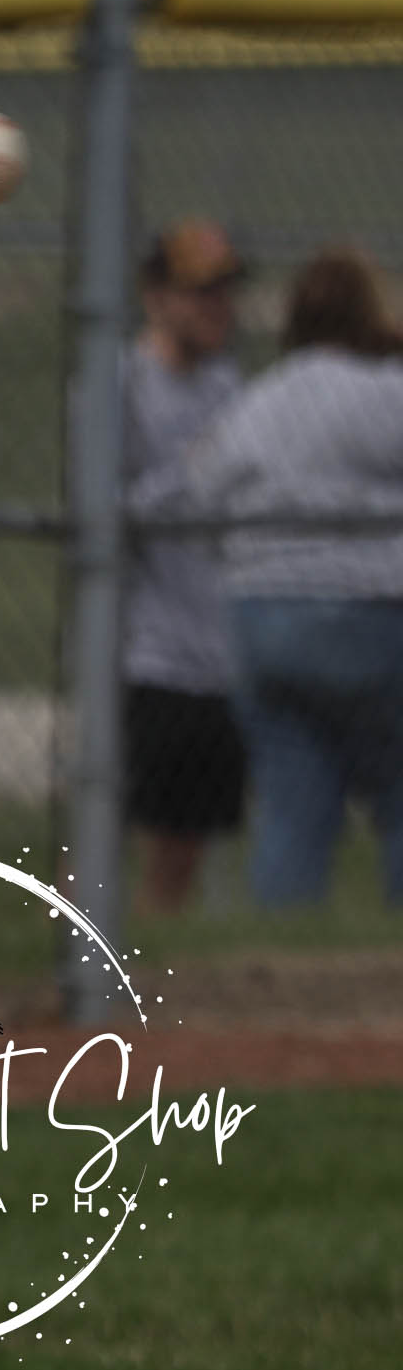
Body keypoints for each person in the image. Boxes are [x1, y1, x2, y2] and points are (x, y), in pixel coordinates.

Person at [205, 242, 403, 911]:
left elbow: (200, 489)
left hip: (265, 619)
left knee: (292, 807)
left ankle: (277, 953)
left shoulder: (258, 402)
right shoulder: (387, 394)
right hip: (377, 617)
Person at [118, 220, 255, 917]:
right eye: (201, 293)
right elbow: (105, 512)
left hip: (219, 653)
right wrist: (194, 472)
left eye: (225, 292)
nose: (218, 308)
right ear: (157, 298)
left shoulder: (228, 388)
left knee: (183, 846)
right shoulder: (123, 386)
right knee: (106, 824)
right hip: (146, 652)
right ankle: (73, 957)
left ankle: (152, 960)